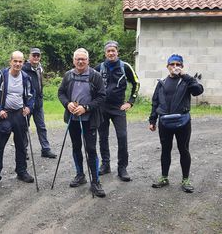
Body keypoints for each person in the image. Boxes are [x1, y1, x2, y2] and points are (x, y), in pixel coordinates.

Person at [149, 54, 204, 193]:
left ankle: (185, 180)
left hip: (183, 122)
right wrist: (152, 120)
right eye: (172, 64)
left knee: (183, 150)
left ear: (182, 66)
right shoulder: (162, 82)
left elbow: (198, 91)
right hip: (165, 122)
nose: (175, 67)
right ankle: (164, 178)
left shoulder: (187, 81)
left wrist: (185, 75)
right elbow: (155, 102)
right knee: (165, 150)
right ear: (167, 66)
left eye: (178, 64)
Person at [58, 48, 106, 197]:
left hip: (89, 120)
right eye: (77, 59)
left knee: (91, 149)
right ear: (73, 61)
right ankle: (80, 175)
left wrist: (86, 108)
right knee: (76, 147)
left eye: (83, 59)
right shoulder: (68, 75)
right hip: (73, 119)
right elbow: (61, 93)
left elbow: (102, 96)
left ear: (88, 61)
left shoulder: (95, 76)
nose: (80, 61)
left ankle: (95, 181)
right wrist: (68, 104)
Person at [0, 50, 35, 188]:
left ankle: (21, 171)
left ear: (23, 62)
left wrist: (29, 108)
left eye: (20, 61)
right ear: (10, 61)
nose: (18, 64)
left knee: (21, 145)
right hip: (5, 115)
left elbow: (32, 96)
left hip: (20, 115)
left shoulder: (26, 77)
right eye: (15, 61)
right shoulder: (2, 75)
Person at [94, 40, 140, 182]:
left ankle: (122, 168)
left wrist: (130, 102)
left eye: (113, 50)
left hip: (118, 108)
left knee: (122, 136)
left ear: (117, 52)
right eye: (108, 51)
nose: (111, 53)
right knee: (103, 137)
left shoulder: (125, 66)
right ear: (105, 53)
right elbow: (91, 86)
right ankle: (105, 165)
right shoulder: (99, 67)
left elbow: (136, 83)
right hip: (102, 107)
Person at [22, 47, 56, 159]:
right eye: (34, 55)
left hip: (38, 102)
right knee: (24, 127)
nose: (36, 57)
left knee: (41, 126)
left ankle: (45, 149)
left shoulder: (40, 68)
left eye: (38, 55)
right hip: (26, 103)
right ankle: (23, 150)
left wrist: (41, 96)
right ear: (29, 56)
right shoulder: (23, 69)